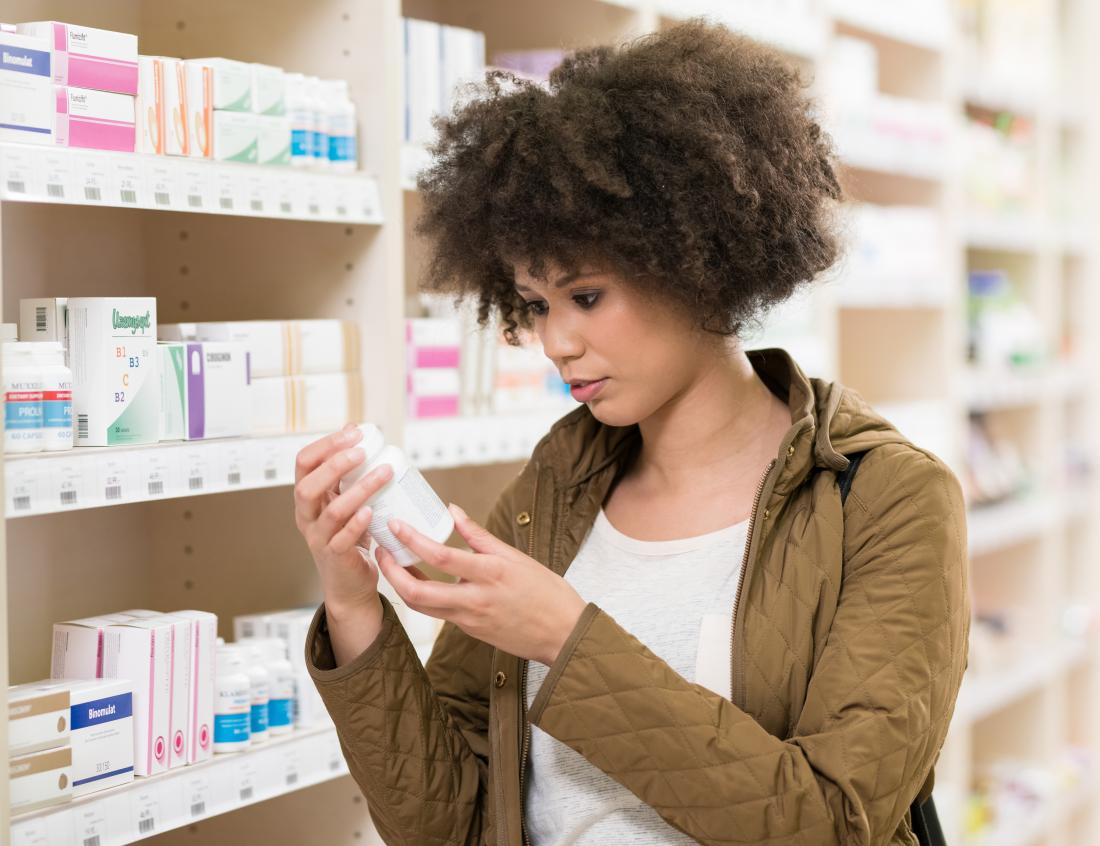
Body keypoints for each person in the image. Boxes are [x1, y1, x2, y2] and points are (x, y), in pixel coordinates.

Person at [293, 19, 969, 846]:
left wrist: (564, 639)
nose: (556, 342)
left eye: (585, 297)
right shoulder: (557, 485)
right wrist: (354, 604)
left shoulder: (888, 498)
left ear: (696, 261)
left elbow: (830, 821)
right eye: (536, 305)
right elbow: (448, 824)